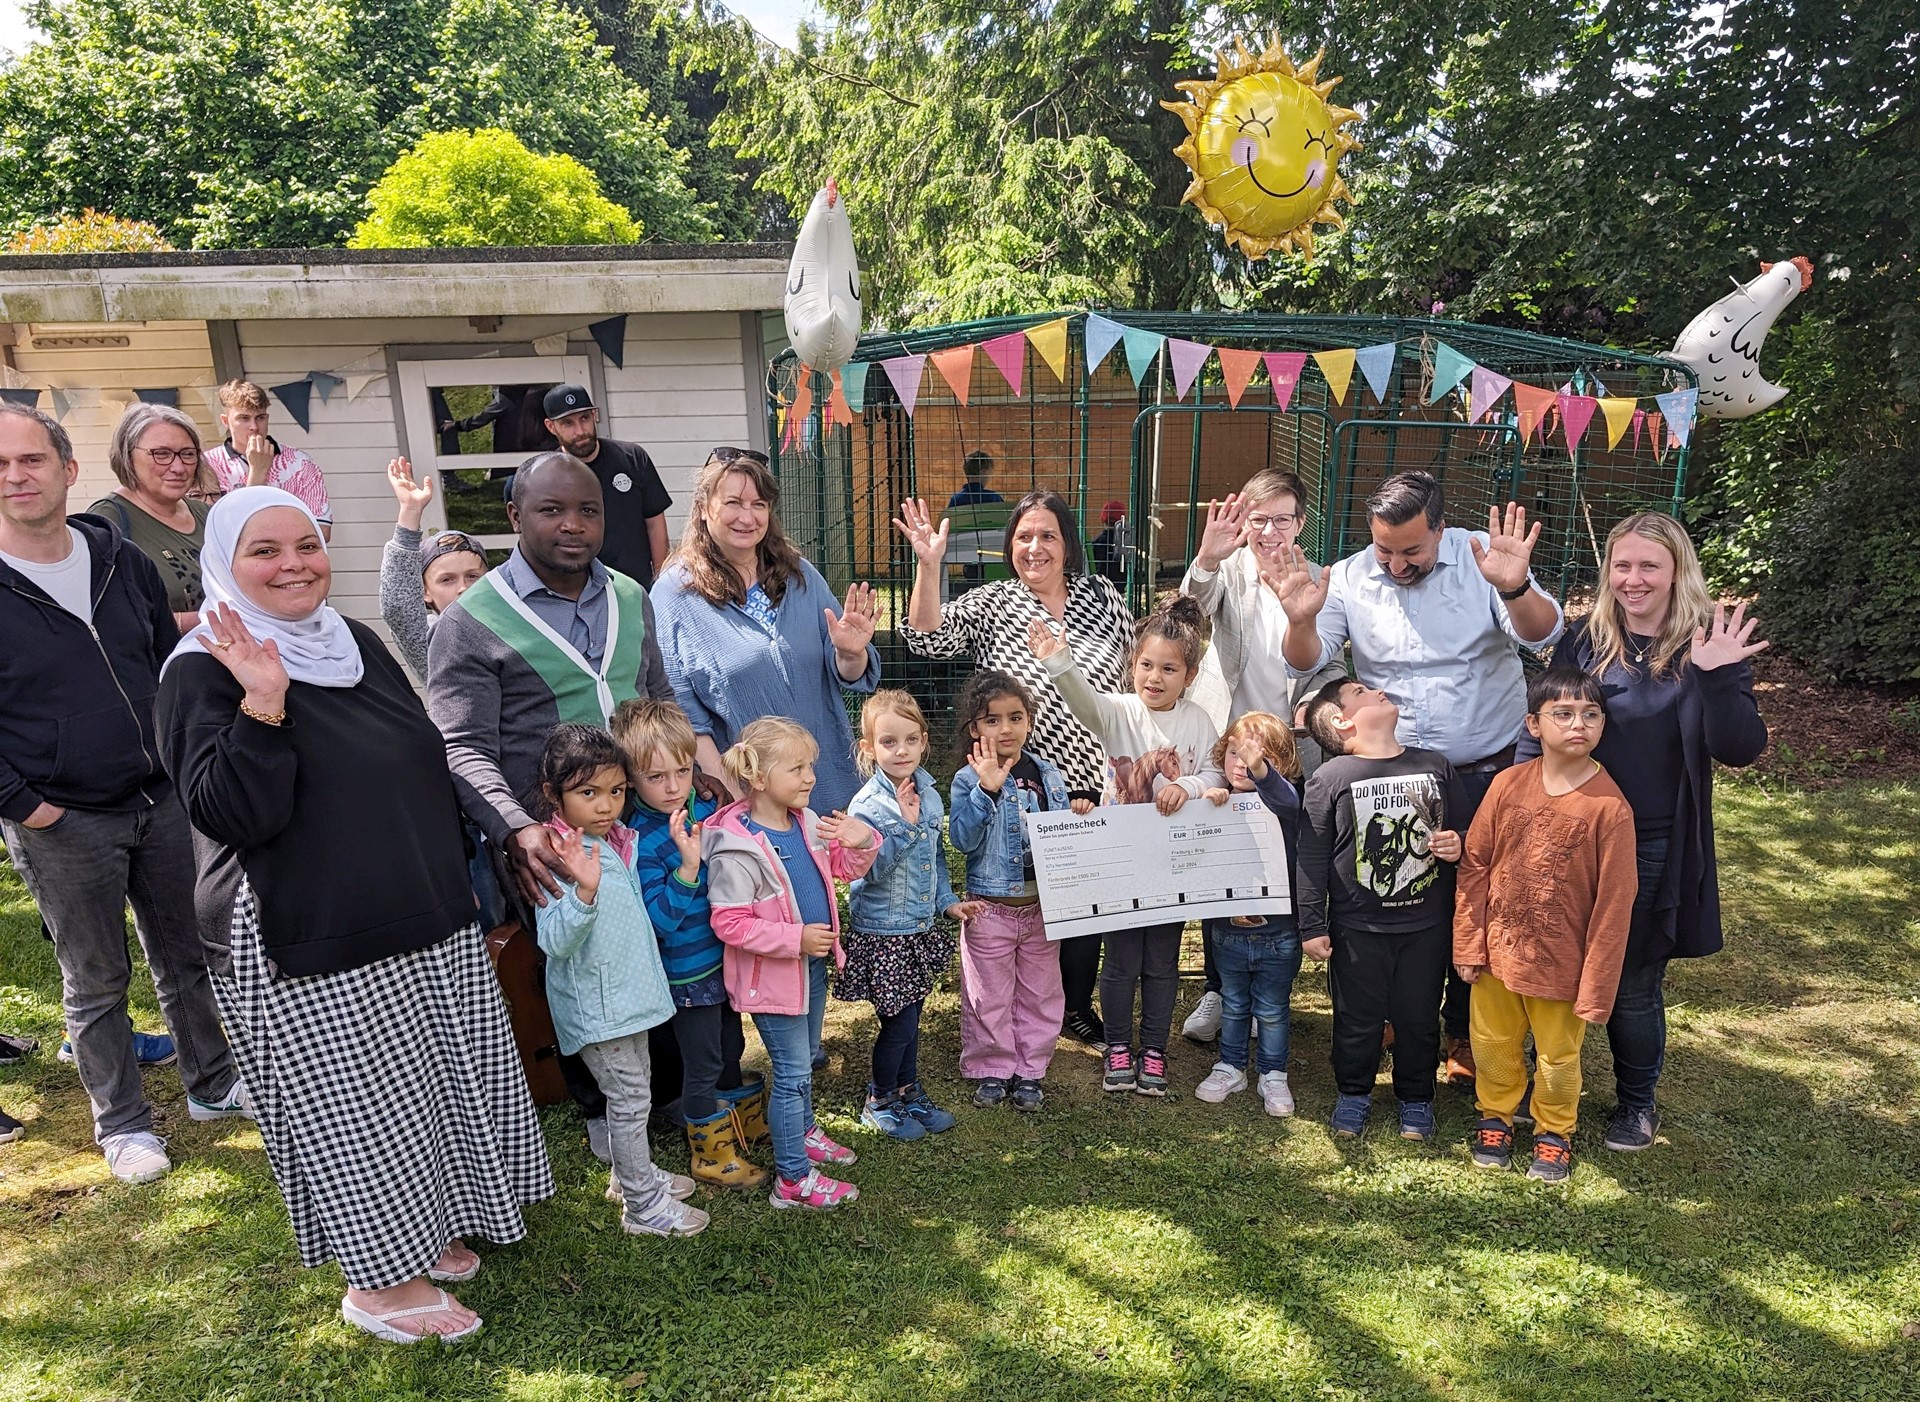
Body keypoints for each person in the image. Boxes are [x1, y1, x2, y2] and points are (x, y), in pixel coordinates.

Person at [156, 487, 551, 1343]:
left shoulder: (355, 643)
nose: (293, 563)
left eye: (305, 543)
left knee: (430, 1088)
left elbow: (418, 757)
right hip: (306, 932)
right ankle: (378, 1287)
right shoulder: (201, 668)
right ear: (227, 562)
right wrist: (264, 701)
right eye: (265, 551)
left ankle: (426, 1229)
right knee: (363, 1113)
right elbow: (231, 814)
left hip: (415, 908)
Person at [0, 402, 249, 1185]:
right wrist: (27, 804)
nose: (16, 477)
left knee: (188, 954)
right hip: (61, 817)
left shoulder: (119, 559)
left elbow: (160, 662)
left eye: (31, 460)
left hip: (161, 793)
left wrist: (184, 757)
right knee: (97, 977)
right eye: (0, 465)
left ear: (68, 471)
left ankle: (212, 1083)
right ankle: (125, 1123)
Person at [1272, 470, 1564, 1084]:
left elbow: (1542, 632)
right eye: (1386, 551)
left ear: (1440, 527)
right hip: (1390, 775)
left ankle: (1462, 1029)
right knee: (1389, 892)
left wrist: (1515, 590)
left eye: (1413, 551)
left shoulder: (1480, 558)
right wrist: (1300, 621)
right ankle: (1388, 1012)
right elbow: (1311, 657)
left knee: (1478, 900)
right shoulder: (1351, 576)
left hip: (1486, 766)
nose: (1398, 565)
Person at [427, 450, 679, 1158]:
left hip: (636, 825)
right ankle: (602, 1110)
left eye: (588, 510)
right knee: (575, 966)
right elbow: (462, 746)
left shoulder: (631, 596)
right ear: (514, 518)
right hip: (548, 839)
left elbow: (657, 701)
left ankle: (656, 1095)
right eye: (551, 510)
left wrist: (698, 774)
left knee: (644, 948)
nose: (573, 525)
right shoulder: (472, 621)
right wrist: (516, 831)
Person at [1517, 512, 1768, 1153]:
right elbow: (1545, 722)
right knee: (1548, 962)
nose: (1633, 579)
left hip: (1652, 843)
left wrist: (1716, 677)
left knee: (1629, 980)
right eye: (1622, 566)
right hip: (1571, 831)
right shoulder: (1586, 639)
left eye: (1649, 566)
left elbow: (1739, 749)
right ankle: (1534, 1086)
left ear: (1677, 571)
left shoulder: (1705, 648)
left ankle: (1636, 1104)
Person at [897, 489, 1133, 1046]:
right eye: (1024, 536)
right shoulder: (994, 603)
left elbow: (1125, 677)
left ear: (1068, 545)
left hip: (1085, 782)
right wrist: (928, 567)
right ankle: (1003, 1007)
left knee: (1080, 906)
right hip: (1012, 784)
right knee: (1015, 900)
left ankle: (1073, 1008)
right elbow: (926, 636)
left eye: (1047, 534)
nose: (1034, 547)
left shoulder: (1101, 597)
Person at [1028, 596, 1225, 1097]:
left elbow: (1213, 772)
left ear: (1190, 673)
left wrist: (1193, 788)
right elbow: (1082, 702)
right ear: (1131, 665)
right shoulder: (1119, 712)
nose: (1154, 677)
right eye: (1145, 665)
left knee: (1161, 962)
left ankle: (1153, 1050)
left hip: (1173, 864)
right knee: (1118, 963)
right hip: (1120, 863)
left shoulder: (1199, 722)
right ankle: (1118, 1046)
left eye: (1169, 668)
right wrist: (1059, 661)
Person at [1178, 471, 1348, 1046]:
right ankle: (1218, 989)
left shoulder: (1321, 580)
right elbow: (1187, 619)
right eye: (1259, 519)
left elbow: (1329, 663)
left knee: (1280, 857)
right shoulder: (1226, 570)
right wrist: (1204, 558)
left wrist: (1317, 711)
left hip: (1291, 748)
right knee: (1220, 859)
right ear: (1242, 522)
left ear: (1301, 523)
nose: (1270, 531)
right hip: (1228, 742)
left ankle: (1269, 985)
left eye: (1282, 519)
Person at [1456, 668, 1637, 1183]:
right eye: (1563, 713)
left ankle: (1554, 1130)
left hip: (1562, 965)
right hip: (1497, 953)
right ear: (1534, 724)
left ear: (1602, 723)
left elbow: (1614, 905)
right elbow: (1475, 864)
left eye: (1590, 714)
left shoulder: (1610, 809)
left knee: (1558, 1056)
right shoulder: (1507, 785)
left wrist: (1597, 987)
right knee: (1492, 1041)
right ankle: (1495, 1116)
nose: (1577, 724)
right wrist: (1469, 944)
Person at [533, 723, 708, 1238]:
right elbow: (554, 941)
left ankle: (630, 1175)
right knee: (630, 1101)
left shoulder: (611, 840)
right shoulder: (560, 854)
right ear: (553, 794)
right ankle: (643, 1207)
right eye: (588, 793)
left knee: (635, 1095)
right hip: (599, 1008)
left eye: (615, 791)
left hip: (628, 1000)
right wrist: (583, 894)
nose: (606, 804)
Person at [706, 719, 878, 1211]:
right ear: (759, 778)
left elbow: (841, 870)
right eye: (798, 768)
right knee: (792, 1072)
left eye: (811, 767)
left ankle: (801, 1133)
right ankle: (793, 1181)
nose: (810, 778)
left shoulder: (804, 823)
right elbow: (730, 923)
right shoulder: (735, 846)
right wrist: (794, 938)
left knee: (804, 1059)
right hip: (774, 979)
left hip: (811, 969)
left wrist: (861, 839)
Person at [652, 448, 881, 816]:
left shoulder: (800, 575)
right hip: (754, 801)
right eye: (733, 502)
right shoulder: (674, 596)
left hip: (829, 780)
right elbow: (687, 720)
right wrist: (740, 806)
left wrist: (851, 654)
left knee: (840, 871)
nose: (747, 517)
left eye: (759, 504)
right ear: (703, 508)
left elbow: (848, 674)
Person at [1298, 677, 1467, 1143]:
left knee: (1418, 1016)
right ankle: (1353, 1092)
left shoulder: (1434, 765)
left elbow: (1467, 833)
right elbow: (1311, 857)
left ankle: (1417, 1097)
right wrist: (1311, 924)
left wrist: (1459, 844)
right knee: (1357, 1019)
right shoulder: (1330, 778)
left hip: (1426, 926)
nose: (1375, 691)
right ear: (1341, 720)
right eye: (1360, 692)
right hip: (1357, 929)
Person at [611, 697, 770, 1192]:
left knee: (731, 1045)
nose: (674, 785)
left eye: (682, 770)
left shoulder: (702, 806)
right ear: (630, 778)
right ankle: (710, 1150)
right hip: (686, 974)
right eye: (656, 777)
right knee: (700, 1061)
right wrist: (687, 867)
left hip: (725, 960)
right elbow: (658, 921)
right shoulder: (640, 838)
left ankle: (739, 1122)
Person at [842, 690, 979, 1140]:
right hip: (884, 933)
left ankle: (906, 1089)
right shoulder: (867, 806)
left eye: (909, 740)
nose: (900, 751)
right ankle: (878, 1099)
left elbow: (934, 859)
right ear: (868, 748)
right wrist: (901, 823)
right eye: (888, 742)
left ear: (923, 742)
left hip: (919, 927)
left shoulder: (929, 795)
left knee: (911, 1016)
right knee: (898, 1022)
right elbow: (870, 872)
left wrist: (947, 901)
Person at [948, 671, 1078, 1111]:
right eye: (992, 720)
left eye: (1015, 717)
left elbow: (1060, 838)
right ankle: (992, 1068)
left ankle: (1031, 1069)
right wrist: (987, 788)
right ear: (975, 729)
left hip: (1042, 910)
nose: (1005, 728)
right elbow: (962, 839)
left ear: (1029, 722)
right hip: (990, 911)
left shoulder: (1049, 774)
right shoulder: (968, 779)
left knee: (1041, 992)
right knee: (989, 994)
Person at [1193, 712, 1305, 1118]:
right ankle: (1231, 1066)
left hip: (1279, 934)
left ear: (1282, 763)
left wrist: (1261, 772)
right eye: (1236, 753)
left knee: (1273, 1010)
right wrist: (1210, 804)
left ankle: (1273, 1074)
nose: (1243, 763)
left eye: (1259, 756)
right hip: (1227, 933)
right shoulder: (1214, 798)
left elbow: (1283, 798)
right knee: (1234, 1003)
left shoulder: (1286, 801)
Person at [88, 403, 215, 635]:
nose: (178, 467)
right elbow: (109, 619)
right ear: (127, 456)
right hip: (162, 666)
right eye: (161, 454)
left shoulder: (207, 514)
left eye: (187, 454)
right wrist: (212, 620)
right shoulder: (107, 521)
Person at [541, 384, 671, 585]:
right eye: (568, 423)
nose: (580, 431)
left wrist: (662, 580)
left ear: (595, 415)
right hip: (578, 591)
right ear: (551, 427)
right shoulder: (547, 475)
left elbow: (655, 523)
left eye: (584, 418)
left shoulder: (632, 458)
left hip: (637, 586)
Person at [379, 456, 488, 682]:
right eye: (447, 580)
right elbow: (398, 606)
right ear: (425, 592)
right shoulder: (432, 638)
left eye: (473, 576)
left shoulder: (514, 620)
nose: (463, 588)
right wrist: (410, 513)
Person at [204, 380, 333, 539]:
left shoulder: (299, 463)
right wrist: (257, 473)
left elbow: (321, 532)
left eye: (260, 417)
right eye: (244, 418)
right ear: (225, 421)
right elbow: (210, 533)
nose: (254, 427)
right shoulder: (207, 465)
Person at [1088, 500, 1128, 586]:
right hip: (1119, 587)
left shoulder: (1096, 542)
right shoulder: (1125, 543)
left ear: (1103, 519)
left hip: (1098, 586)